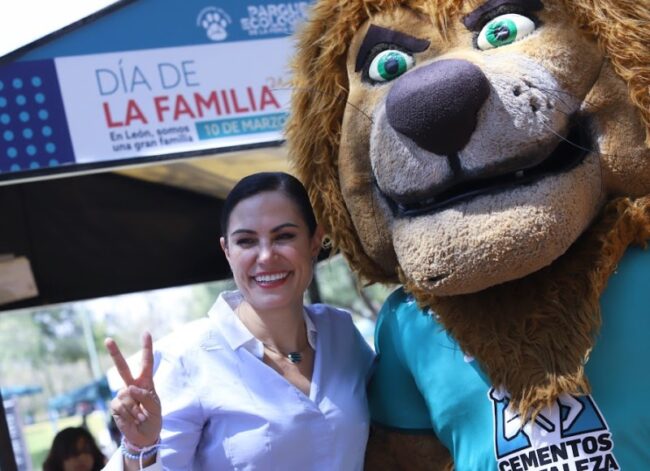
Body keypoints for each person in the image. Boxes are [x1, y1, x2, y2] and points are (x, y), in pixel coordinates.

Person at [103, 172, 375, 470]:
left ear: (314, 241)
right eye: (246, 241)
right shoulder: (188, 356)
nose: (266, 256)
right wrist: (139, 450)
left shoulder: (341, 333)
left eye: (284, 236)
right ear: (227, 252)